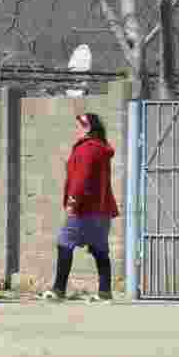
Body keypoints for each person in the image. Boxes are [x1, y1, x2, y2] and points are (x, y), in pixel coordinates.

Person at [41, 112, 119, 303]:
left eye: (80, 126)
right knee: (100, 249)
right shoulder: (101, 148)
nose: (76, 129)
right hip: (103, 210)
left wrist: (72, 201)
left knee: (64, 242)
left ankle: (58, 290)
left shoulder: (86, 149)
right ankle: (105, 292)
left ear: (88, 128)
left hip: (84, 208)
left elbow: (80, 179)